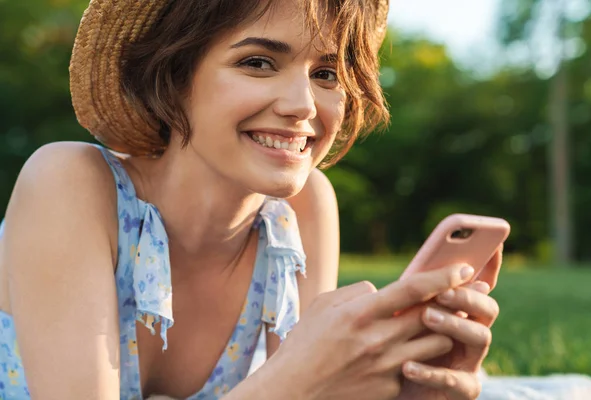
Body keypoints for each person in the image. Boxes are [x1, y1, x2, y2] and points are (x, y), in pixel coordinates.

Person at [0, 0, 503, 399]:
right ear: (171, 78)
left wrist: (407, 391)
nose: (302, 104)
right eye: (258, 62)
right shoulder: (69, 182)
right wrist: (297, 383)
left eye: (326, 74)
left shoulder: (304, 211)